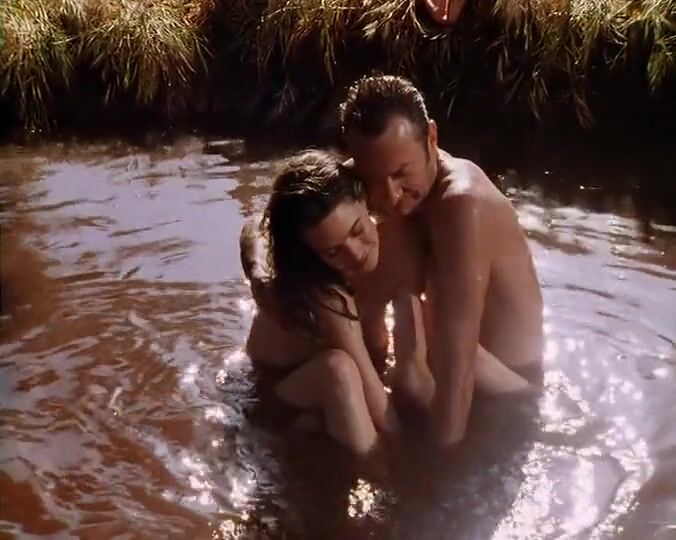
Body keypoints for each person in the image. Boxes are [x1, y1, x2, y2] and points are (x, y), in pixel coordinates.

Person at [338, 74, 544, 447]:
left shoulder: (461, 204)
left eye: (401, 174)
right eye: (373, 179)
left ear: (432, 137)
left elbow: (457, 359)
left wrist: (440, 463)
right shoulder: (375, 170)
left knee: (387, 246)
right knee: (352, 240)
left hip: (509, 391)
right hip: (443, 363)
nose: (390, 195)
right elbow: (278, 218)